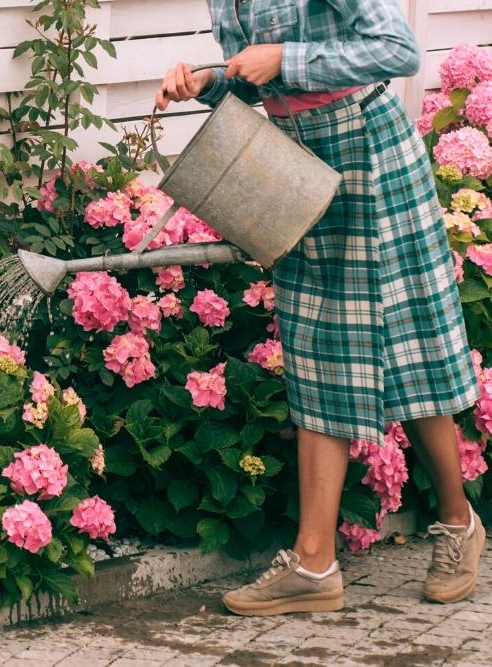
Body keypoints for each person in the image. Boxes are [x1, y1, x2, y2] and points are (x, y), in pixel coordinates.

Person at [156, 0, 485, 616]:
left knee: (406, 346)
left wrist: (287, 57)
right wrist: (209, 81)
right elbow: (256, 81)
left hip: (370, 147)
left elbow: (399, 51)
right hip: (297, 165)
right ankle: (313, 565)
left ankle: (457, 519)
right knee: (315, 350)